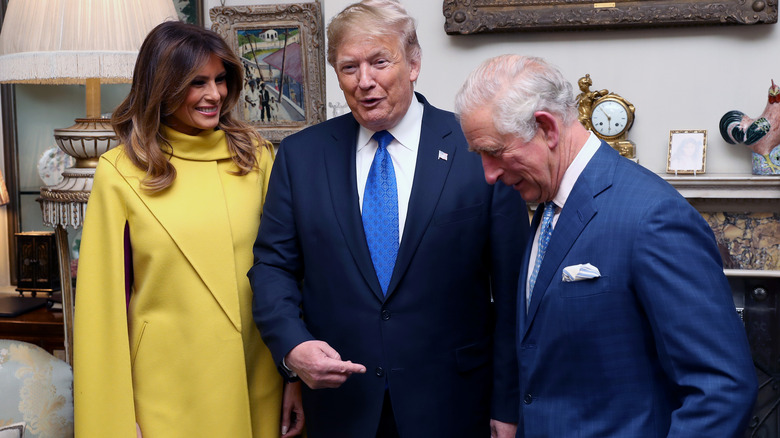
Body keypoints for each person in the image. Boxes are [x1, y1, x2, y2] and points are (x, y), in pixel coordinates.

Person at [248, 1, 529, 437]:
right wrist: (293, 347)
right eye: (348, 67)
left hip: (454, 405)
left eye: (380, 62)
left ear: (414, 63)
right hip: (340, 406)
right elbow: (272, 268)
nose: (365, 82)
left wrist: (507, 405)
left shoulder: (477, 149)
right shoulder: (301, 157)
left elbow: (515, 292)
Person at [455, 54, 758, 437]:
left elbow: (722, 388)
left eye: (494, 151)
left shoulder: (652, 217)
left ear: (546, 128)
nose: (488, 174)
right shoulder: (547, 207)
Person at [73, 21, 303, 438]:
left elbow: (289, 277)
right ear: (162, 87)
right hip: (167, 396)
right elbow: (101, 312)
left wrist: (294, 379)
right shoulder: (119, 173)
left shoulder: (258, 158)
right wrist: (114, 422)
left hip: (261, 382)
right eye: (197, 82)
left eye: (219, 79)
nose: (214, 94)